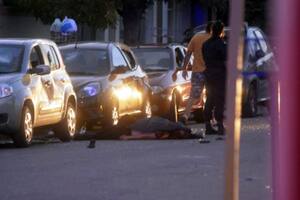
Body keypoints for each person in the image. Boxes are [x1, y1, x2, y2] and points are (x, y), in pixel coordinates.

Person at [172, 22, 213, 124]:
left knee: (193, 96)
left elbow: (188, 53)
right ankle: (211, 118)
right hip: (211, 72)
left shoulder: (196, 37)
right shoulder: (214, 39)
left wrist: (185, 68)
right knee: (211, 95)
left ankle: (185, 116)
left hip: (197, 71)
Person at [202, 21, 227, 135]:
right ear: (221, 31)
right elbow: (226, 61)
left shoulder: (205, 44)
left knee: (210, 98)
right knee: (219, 99)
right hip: (220, 75)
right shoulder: (221, 44)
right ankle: (220, 125)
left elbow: (204, 59)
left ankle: (208, 125)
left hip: (208, 74)